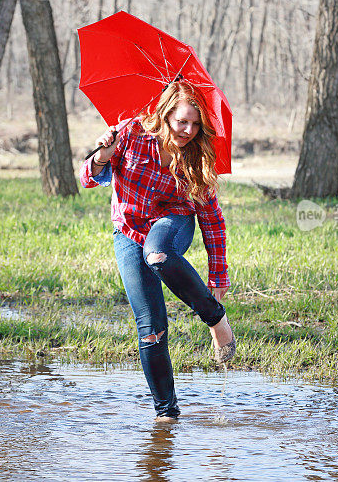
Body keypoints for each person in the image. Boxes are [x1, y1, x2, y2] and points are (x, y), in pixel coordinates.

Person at [79, 80, 235, 423]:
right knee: (150, 327)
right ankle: (166, 415)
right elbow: (88, 178)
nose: (188, 131)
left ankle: (215, 317)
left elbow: (212, 220)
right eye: (182, 121)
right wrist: (103, 154)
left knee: (157, 254)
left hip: (172, 224)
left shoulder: (196, 157)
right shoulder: (130, 132)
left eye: (195, 124)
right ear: (166, 115)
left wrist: (218, 274)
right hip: (128, 231)